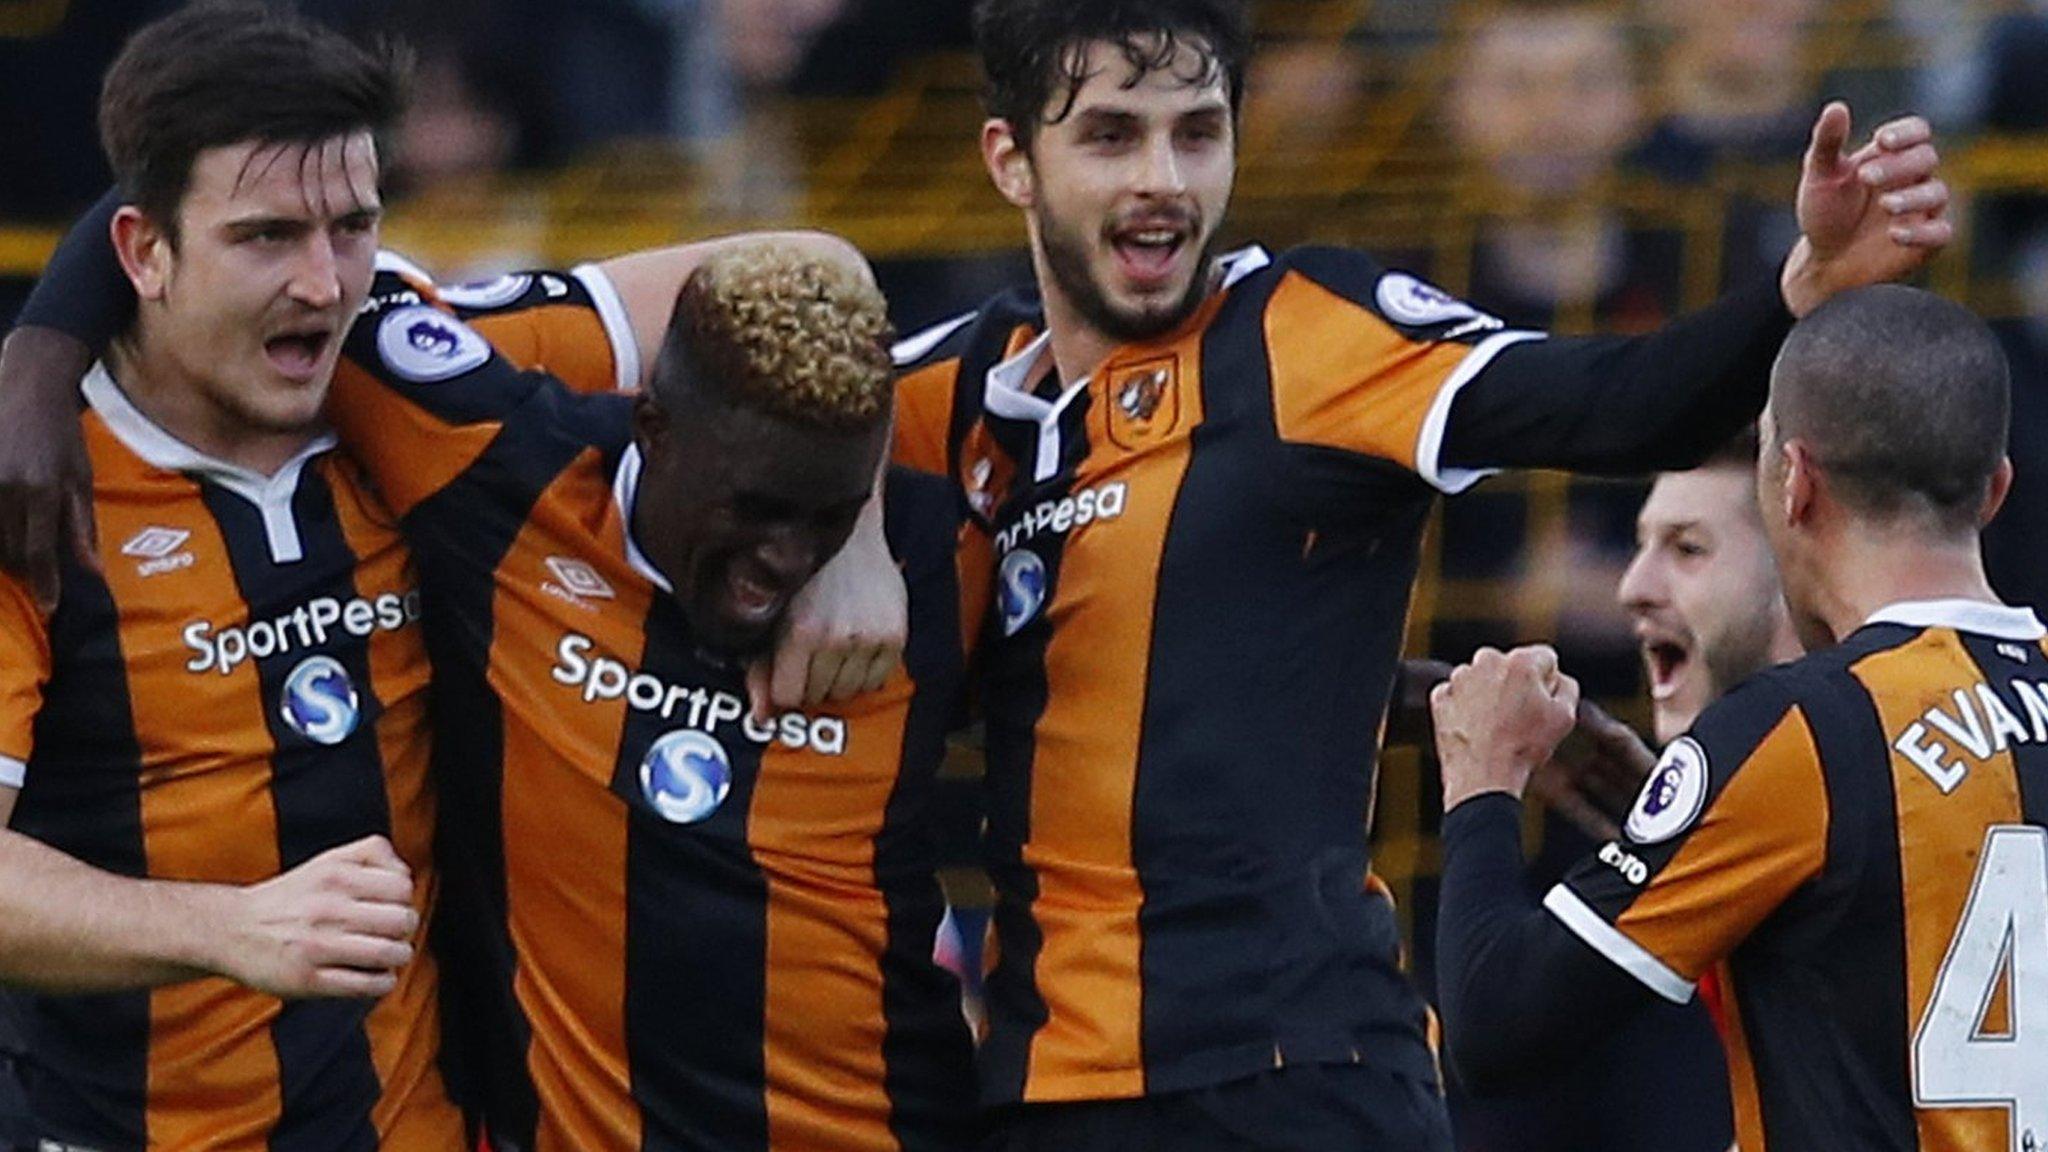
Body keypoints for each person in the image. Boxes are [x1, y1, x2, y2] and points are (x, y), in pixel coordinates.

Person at [878, 0, 1950, 1146]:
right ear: (1010, 161)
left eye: (1196, 132)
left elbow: (1615, 404)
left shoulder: (1306, 331)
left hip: (1297, 1076)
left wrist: (1795, 294)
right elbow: (706, 415)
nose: (1161, 179)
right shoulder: (937, 396)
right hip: (1042, 1090)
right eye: (1108, 136)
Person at [322, 241, 979, 1150]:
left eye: (823, 515)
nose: (786, 561)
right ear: (654, 431)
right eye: (754, 508)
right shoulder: (504, 485)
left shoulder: (936, 561)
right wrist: (47, 350)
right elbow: (332, 274)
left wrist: (864, 535)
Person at [1430, 284, 2045, 1152]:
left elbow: (1497, 1028)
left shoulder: (1800, 732)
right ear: (1995, 491)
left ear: (1793, 484)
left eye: (1687, 546)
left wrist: (1481, 784)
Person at [0, 8, 463, 1148]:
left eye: (353, 227)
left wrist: (845, 531)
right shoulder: (36, 490)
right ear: (142, 254)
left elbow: (779, 281)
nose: (324, 282)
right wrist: (229, 929)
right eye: (265, 238)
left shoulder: (422, 378)